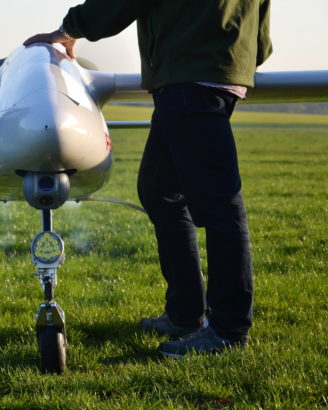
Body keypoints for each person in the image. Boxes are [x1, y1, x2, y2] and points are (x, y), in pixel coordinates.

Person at [25, 0, 272, 357]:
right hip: (218, 72)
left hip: (188, 77)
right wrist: (240, 56)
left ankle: (228, 330)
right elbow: (262, 40)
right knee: (159, 190)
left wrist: (70, 29)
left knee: (220, 205)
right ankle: (186, 313)